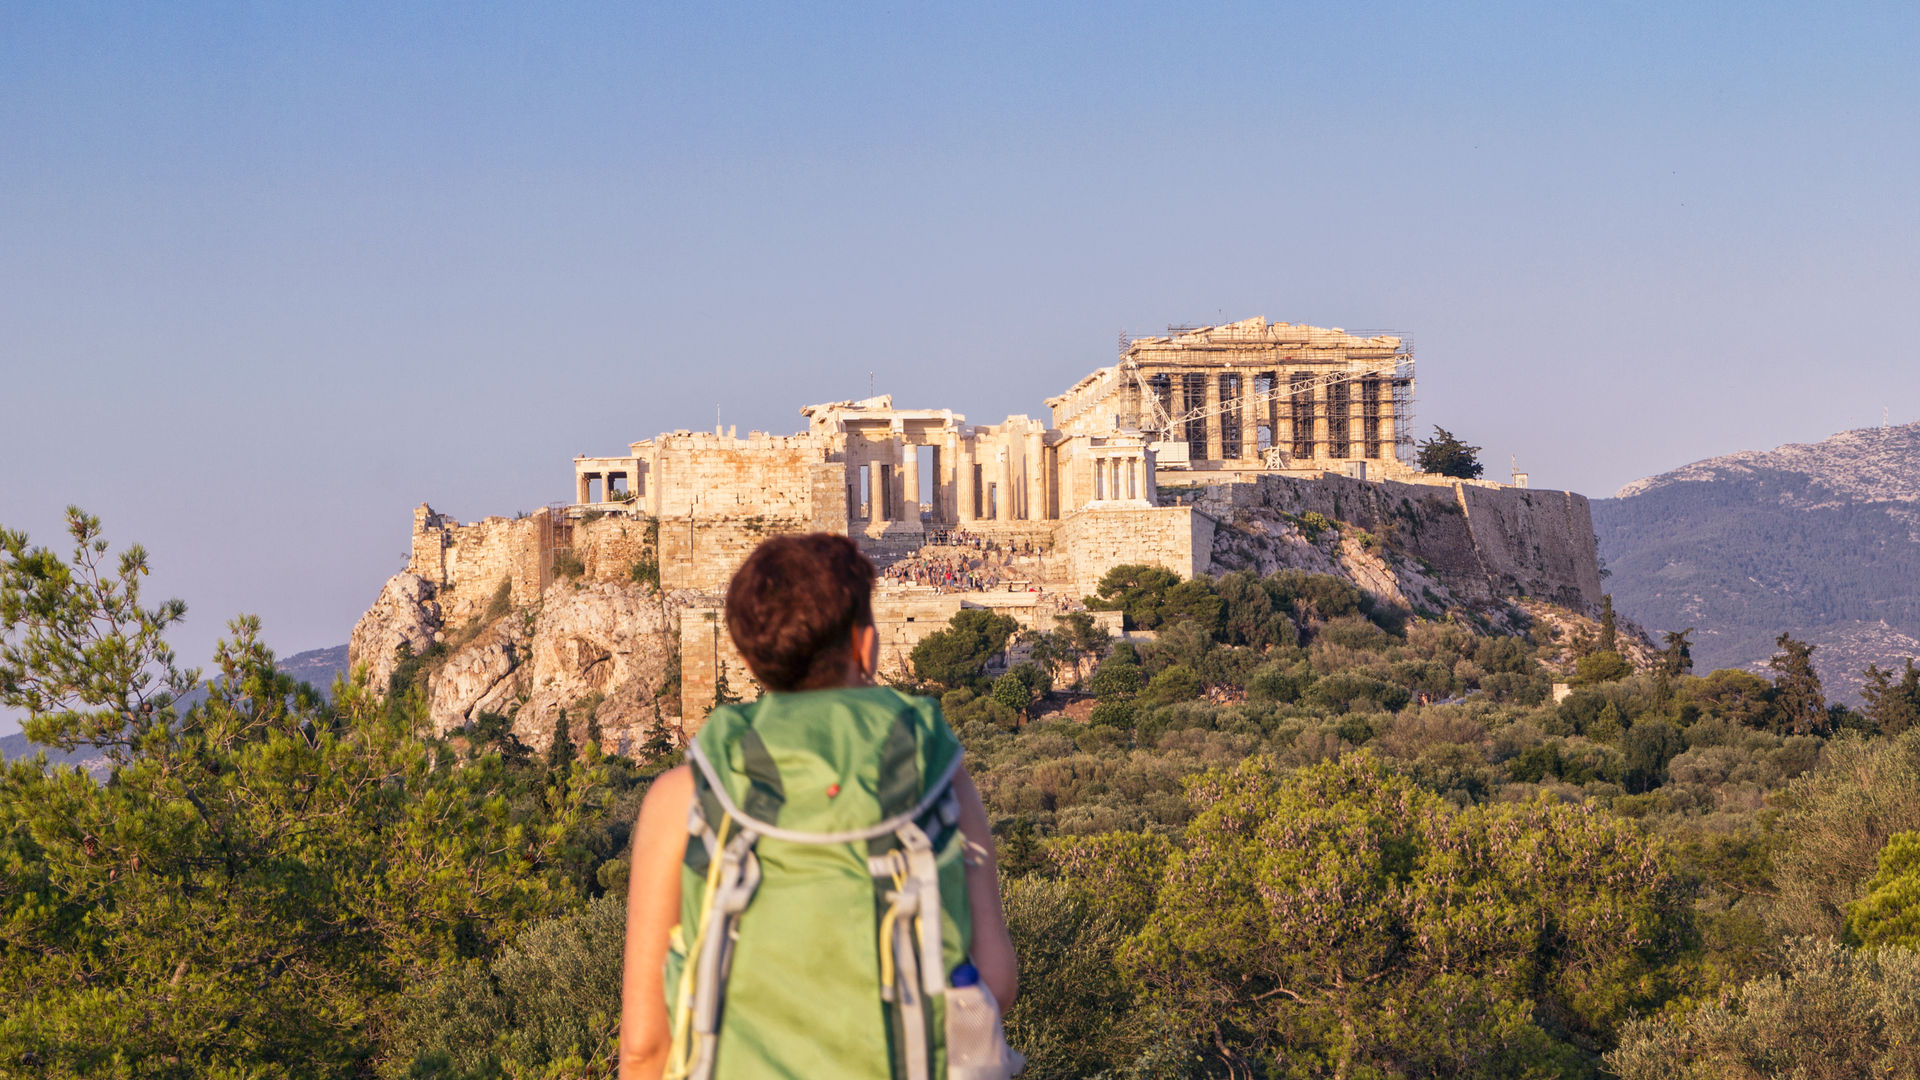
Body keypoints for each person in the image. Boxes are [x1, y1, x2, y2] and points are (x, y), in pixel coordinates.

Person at [620, 533, 1018, 1079]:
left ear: (750, 658)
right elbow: (995, 978)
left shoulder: (681, 798)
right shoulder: (939, 777)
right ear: (867, 646)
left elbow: (644, 1045)